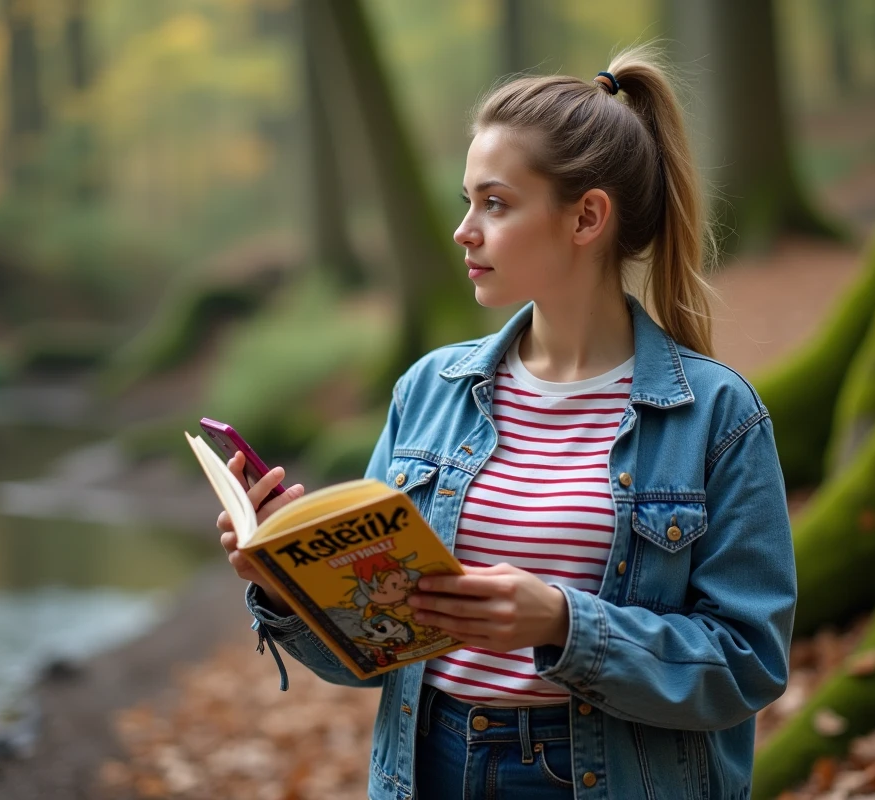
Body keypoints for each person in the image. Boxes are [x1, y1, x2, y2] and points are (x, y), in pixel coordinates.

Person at [218, 45, 797, 800]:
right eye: (468, 201)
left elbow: (746, 663)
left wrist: (563, 622)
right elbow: (374, 650)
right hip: (432, 770)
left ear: (587, 216)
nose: (464, 229)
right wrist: (285, 582)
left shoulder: (717, 416)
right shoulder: (429, 390)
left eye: (494, 203)